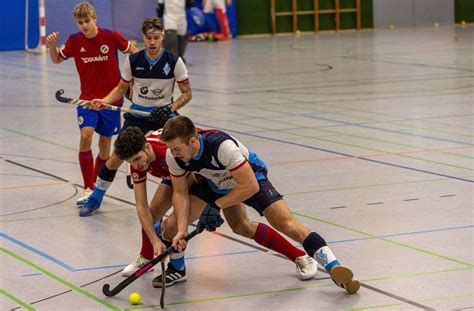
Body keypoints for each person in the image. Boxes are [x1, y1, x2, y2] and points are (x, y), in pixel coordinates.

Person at [160, 116, 360, 294]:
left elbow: (249, 186)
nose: (173, 153)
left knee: (286, 223)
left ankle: (334, 266)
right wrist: (181, 230)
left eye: (177, 148)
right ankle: (178, 269)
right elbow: (179, 193)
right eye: (171, 149)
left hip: (248, 179)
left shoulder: (221, 146)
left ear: (193, 141)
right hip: (213, 183)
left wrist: (216, 205)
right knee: (228, 227)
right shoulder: (175, 156)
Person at [114, 127, 318, 284]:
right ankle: (156, 260)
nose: (137, 165)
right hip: (180, 174)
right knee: (155, 214)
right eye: (131, 162)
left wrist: (212, 206)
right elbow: (141, 206)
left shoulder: (168, 151)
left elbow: (188, 187)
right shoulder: (138, 162)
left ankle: (300, 256)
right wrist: (154, 240)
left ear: (147, 147)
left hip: (209, 173)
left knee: (239, 226)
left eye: (138, 159)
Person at [79, 17, 192, 217]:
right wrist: (103, 101)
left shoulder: (175, 61)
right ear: (143, 37)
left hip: (163, 115)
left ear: (162, 36)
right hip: (137, 115)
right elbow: (121, 88)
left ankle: (191, 197)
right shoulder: (132, 60)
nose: (152, 42)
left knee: (183, 152)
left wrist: (171, 107)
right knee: (115, 158)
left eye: (156, 38)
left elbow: (187, 93)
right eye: (148, 38)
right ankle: (95, 198)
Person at [46, 2, 138, 205]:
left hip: (111, 102)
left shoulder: (111, 36)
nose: (84, 26)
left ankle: (96, 185)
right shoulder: (74, 41)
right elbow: (56, 60)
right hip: (87, 100)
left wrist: (131, 78)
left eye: (87, 21)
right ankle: (87, 186)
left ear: (95, 18)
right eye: (80, 22)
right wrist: (52, 46)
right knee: (85, 134)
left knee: (105, 146)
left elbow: (134, 51)